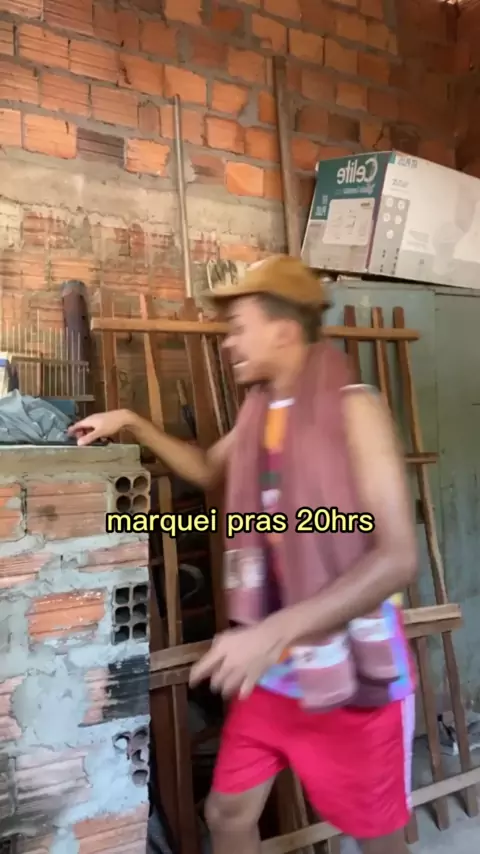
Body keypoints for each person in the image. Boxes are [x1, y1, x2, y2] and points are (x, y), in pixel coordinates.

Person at [69, 256, 417, 854]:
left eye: (238, 327)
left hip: (350, 669)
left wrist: (271, 631)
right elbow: (208, 468)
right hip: (272, 669)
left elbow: (397, 557)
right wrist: (130, 421)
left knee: (374, 834)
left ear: (282, 329)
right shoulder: (262, 413)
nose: (228, 343)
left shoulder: (354, 408)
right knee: (228, 813)